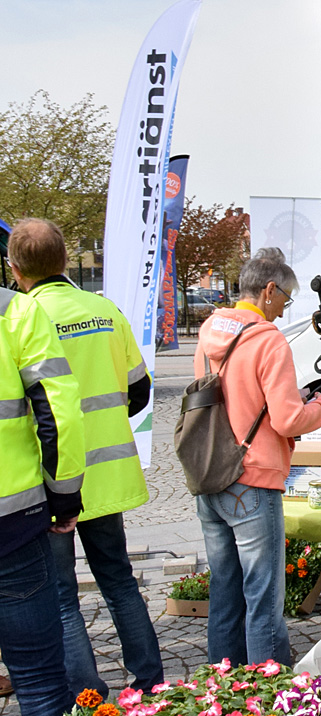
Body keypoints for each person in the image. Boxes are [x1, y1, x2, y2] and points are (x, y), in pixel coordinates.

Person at [8, 218, 163, 698]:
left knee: (61, 596)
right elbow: (139, 390)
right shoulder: (104, 309)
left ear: (15, 270)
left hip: (52, 481)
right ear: (64, 259)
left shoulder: (20, 317)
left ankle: (88, 696)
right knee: (119, 580)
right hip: (107, 476)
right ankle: (151, 684)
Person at [194, 247, 321, 666]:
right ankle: (271, 687)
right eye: (285, 299)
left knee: (225, 592)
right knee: (263, 599)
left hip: (210, 470)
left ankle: (222, 684)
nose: (282, 310)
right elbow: (288, 420)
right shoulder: (267, 339)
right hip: (253, 478)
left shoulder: (210, 329)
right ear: (269, 290)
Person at [0, 280, 85, 716]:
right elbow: (59, 413)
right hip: (11, 524)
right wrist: (64, 496)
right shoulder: (14, 311)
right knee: (39, 684)